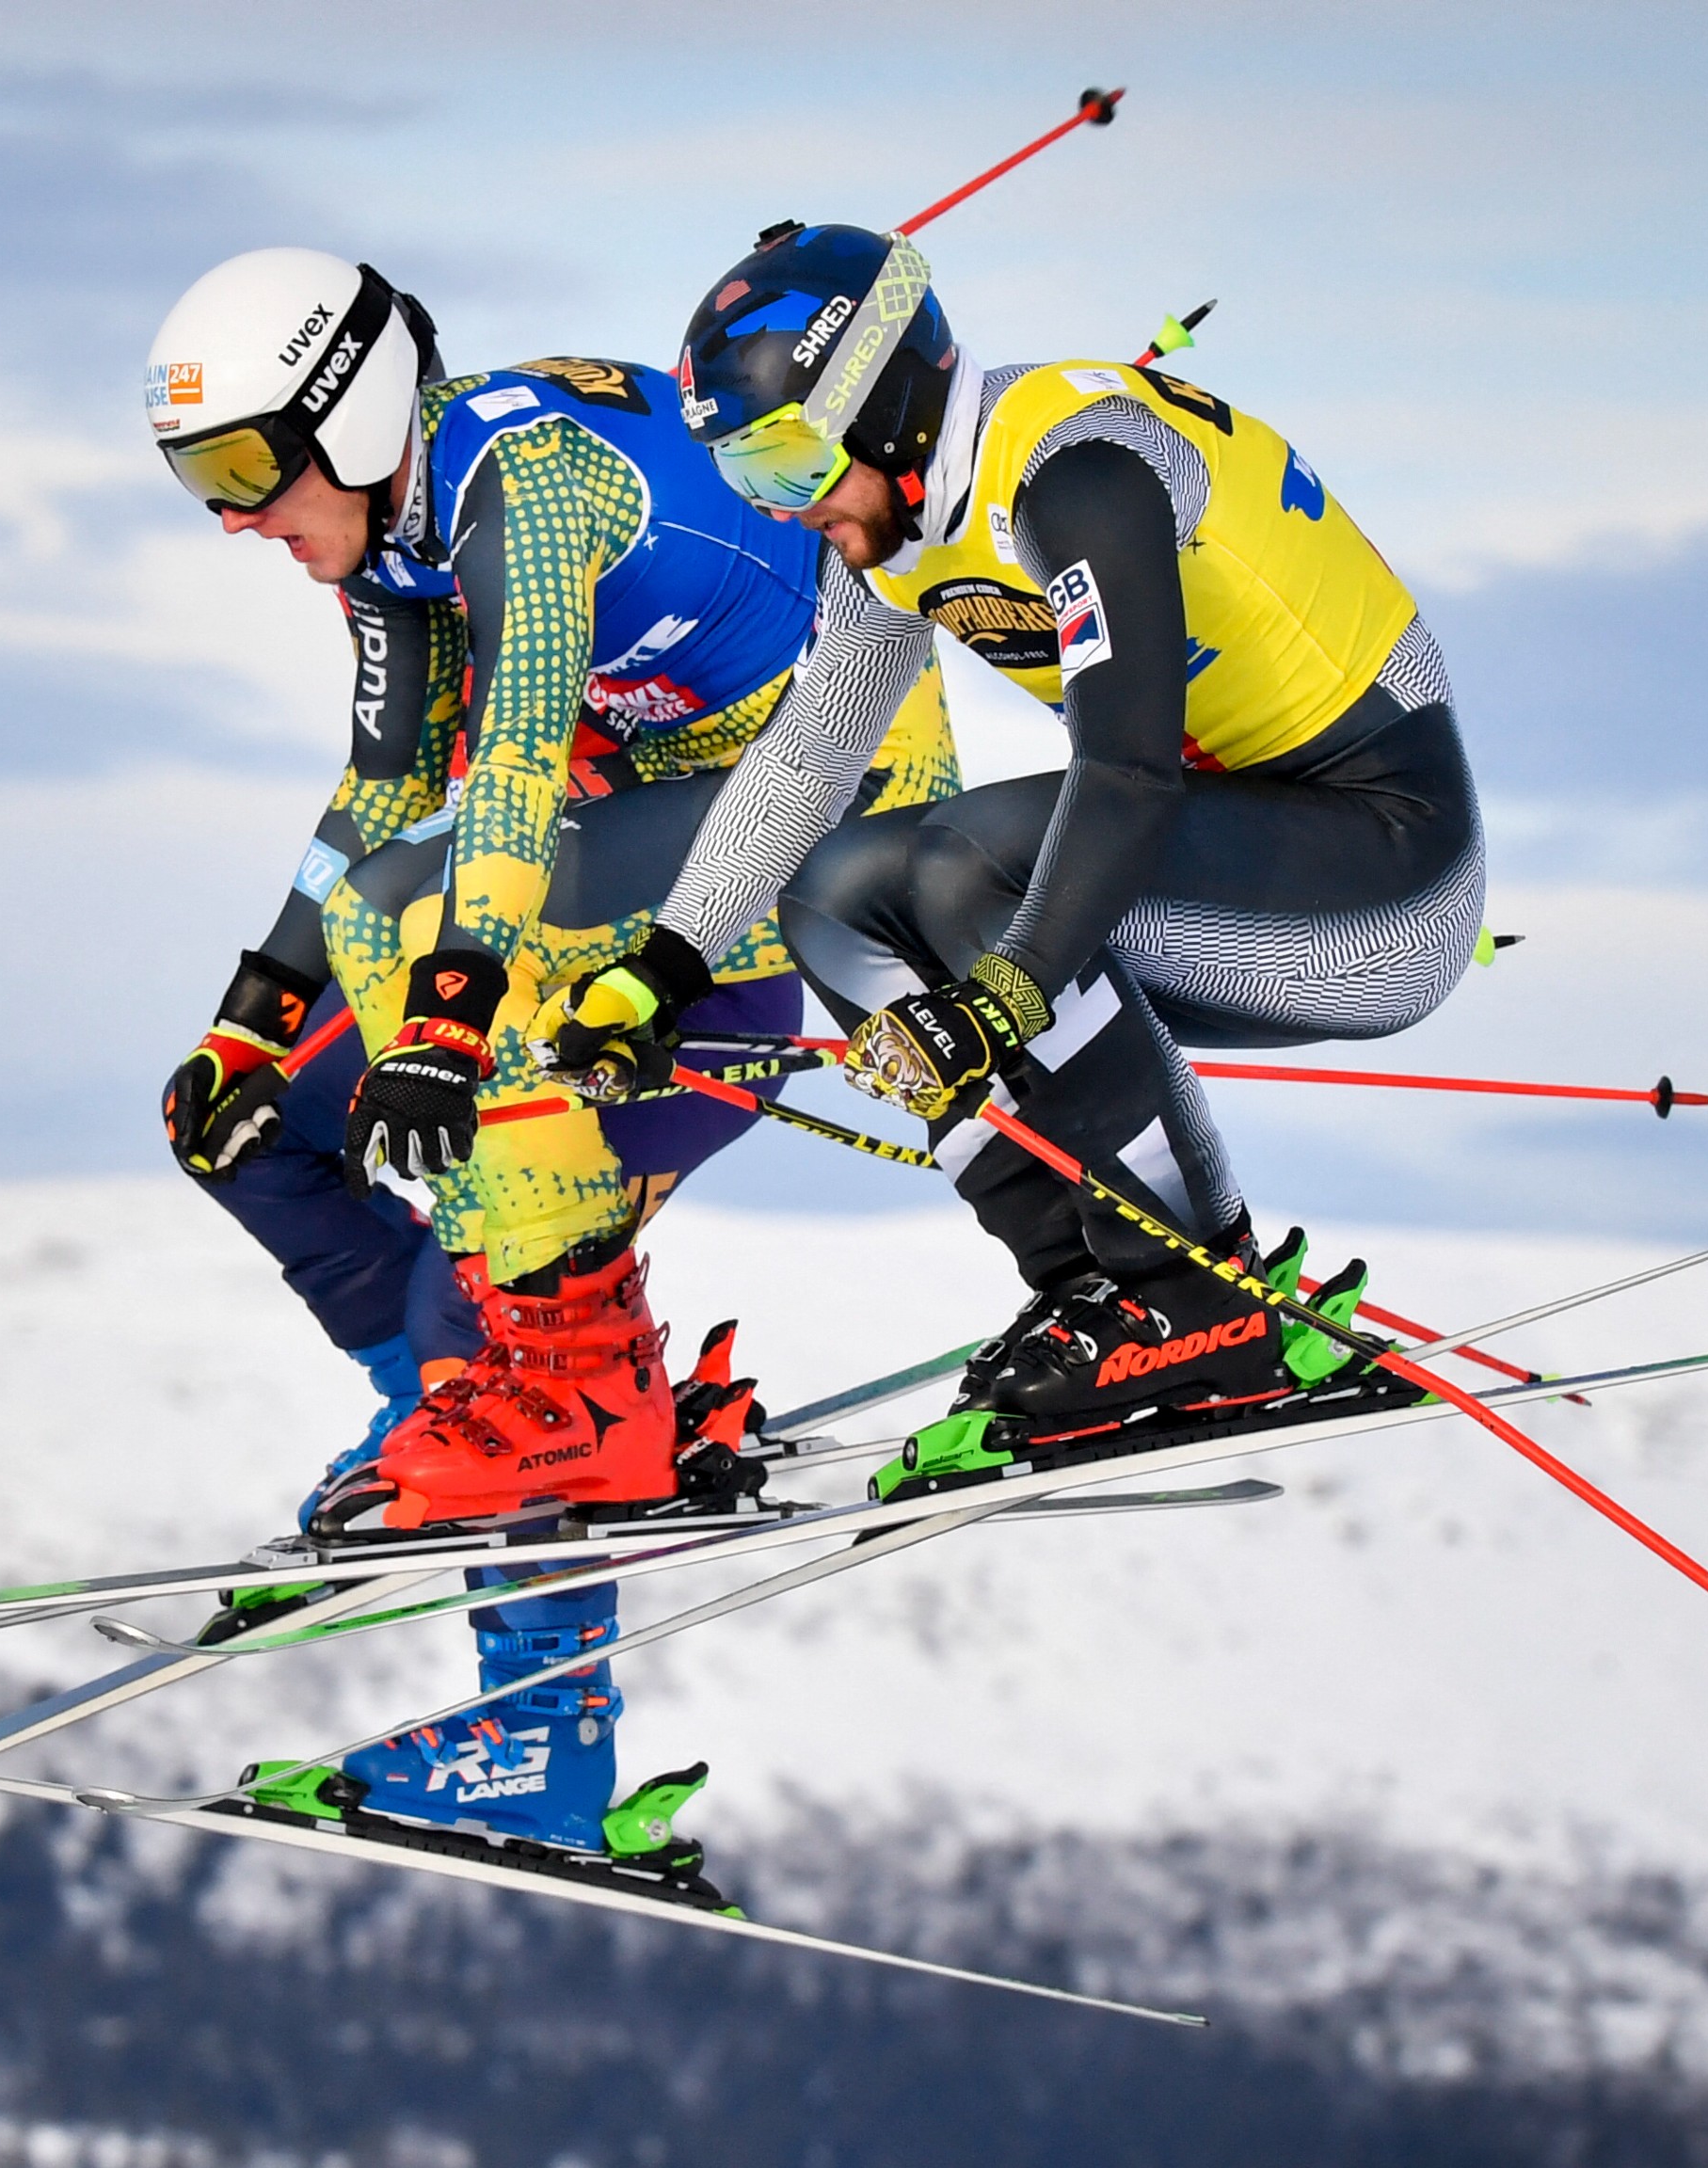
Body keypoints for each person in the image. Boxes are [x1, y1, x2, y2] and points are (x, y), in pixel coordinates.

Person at [141, 247, 956, 1859]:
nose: (234, 517)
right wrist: (252, 1016)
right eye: (196, 480)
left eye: (246, 466)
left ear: (353, 413)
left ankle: (544, 1737)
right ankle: (445, 1401)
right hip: (625, 885)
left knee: (488, 1258)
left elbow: (509, 772)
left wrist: (443, 1018)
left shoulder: (525, 482)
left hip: (784, 890)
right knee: (254, 1127)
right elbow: (384, 791)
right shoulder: (407, 535)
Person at [553, 221, 1483, 1433]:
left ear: (882, 406)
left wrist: (1003, 994)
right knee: (834, 897)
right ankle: (1097, 1288)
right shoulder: (897, 525)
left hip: (1385, 879)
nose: (778, 511)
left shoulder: (1076, 470)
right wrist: (661, 967)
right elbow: (817, 748)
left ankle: (1197, 1293)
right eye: (742, 481)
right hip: (1248, 863)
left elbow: (1130, 775)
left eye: (784, 466)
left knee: (963, 869)